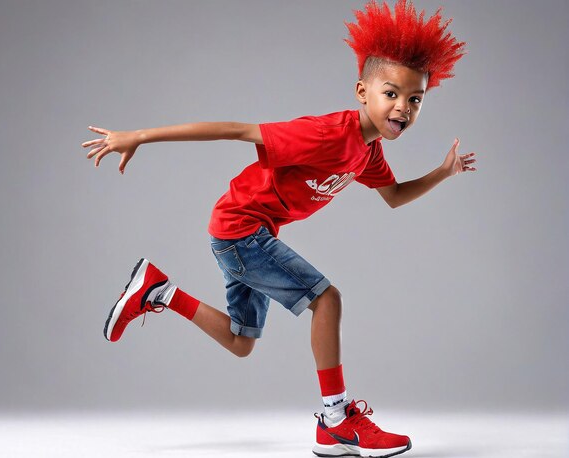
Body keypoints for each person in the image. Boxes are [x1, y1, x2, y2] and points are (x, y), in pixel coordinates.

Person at [81, 1, 473, 456]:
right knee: (327, 300)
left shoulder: (367, 152)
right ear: (362, 91)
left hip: (245, 232)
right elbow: (235, 130)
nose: (403, 107)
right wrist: (139, 136)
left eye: (415, 98)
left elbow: (394, 196)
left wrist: (443, 172)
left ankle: (158, 290)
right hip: (241, 230)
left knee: (241, 342)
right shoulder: (329, 133)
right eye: (392, 93)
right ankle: (334, 420)